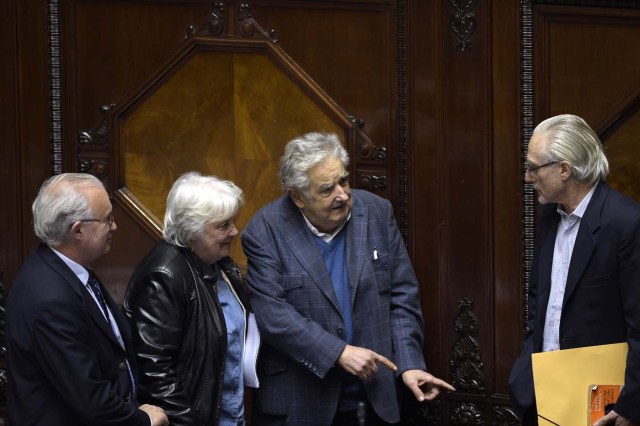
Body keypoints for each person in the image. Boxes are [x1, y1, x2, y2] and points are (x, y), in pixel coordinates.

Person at [241, 132, 454, 425]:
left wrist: (409, 365)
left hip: (374, 398)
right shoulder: (265, 230)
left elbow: (401, 297)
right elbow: (273, 315)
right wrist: (338, 352)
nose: (342, 194)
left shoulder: (377, 212)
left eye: (343, 181)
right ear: (297, 197)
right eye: (327, 189)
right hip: (302, 401)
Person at [5, 173, 168, 426]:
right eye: (107, 219)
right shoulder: (51, 298)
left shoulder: (68, 270)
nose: (114, 226)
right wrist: (143, 420)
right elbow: (89, 397)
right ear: (78, 230)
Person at [508, 114, 640, 426]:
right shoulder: (550, 217)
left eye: (533, 167)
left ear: (565, 170)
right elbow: (540, 300)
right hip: (544, 393)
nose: (527, 177)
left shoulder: (626, 224)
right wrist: (526, 369)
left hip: (603, 404)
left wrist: (631, 405)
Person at [124, 171, 250, 426]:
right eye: (223, 225)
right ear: (192, 230)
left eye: (232, 221)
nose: (235, 231)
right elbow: (154, 369)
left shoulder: (220, 264)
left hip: (228, 413)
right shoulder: (166, 274)